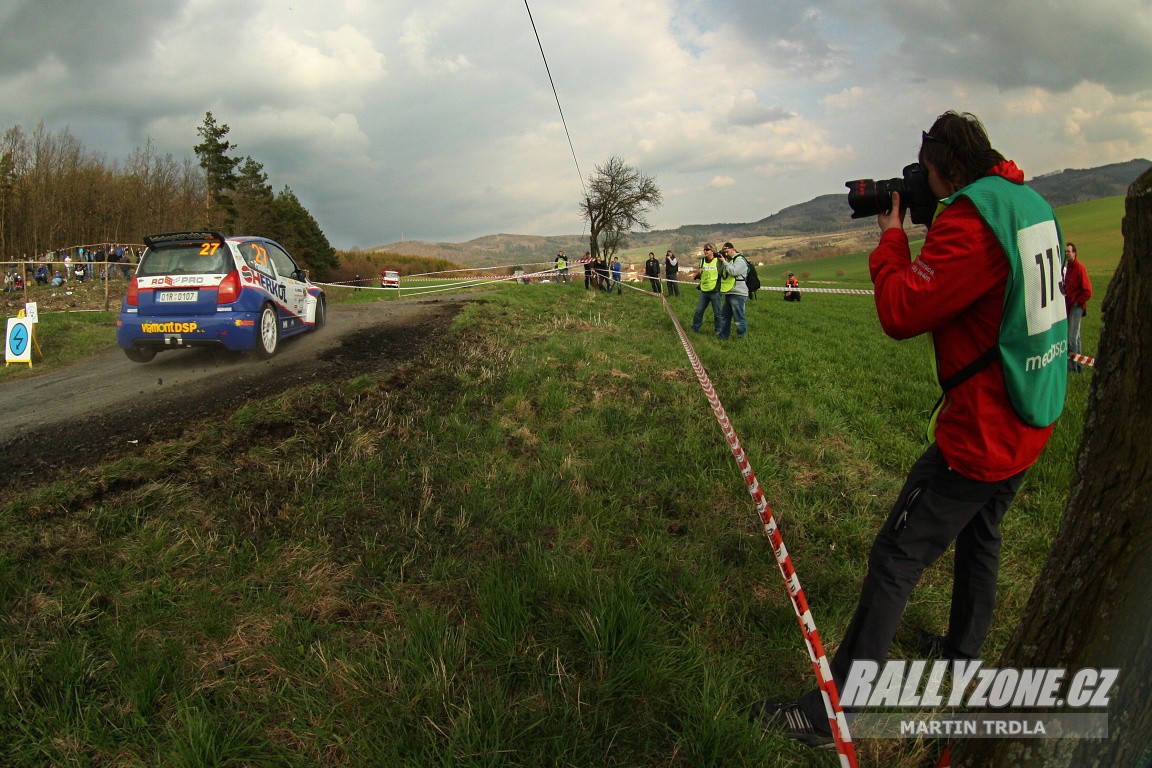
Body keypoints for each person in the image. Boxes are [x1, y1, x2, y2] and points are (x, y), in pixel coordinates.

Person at [752, 111, 1067, 746]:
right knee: (983, 535)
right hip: (1034, 412)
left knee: (896, 556)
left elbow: (901, 311)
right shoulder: (1028, 203)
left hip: (982, 434)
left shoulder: (972, 221)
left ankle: (837, 710)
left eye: (924, 172)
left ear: (944, 169)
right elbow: (1075, 282)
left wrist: (892, 237)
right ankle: (961, 652)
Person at [1062, 242, 1092, 372]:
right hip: (1069, 305)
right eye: (1066, 252)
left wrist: (1077, 302)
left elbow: (1088, 291)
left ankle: (1072, 368)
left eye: (1069, 251)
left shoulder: (1080, 269)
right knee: (1077, 338)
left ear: (1075, 253)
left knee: (1072, 338)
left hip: (1076, 307)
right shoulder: (1069, 268)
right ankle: (1079, 366)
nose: (1067, 254)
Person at [716, 242, 750, 339]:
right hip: (729, 292)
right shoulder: (729, 260)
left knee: (739, 318)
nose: (726, 254)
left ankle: (741, 337)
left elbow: (734, 272)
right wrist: (720, 261)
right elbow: (720, 272)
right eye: (724, 252)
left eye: (727, 252)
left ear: (733, 249)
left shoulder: (740, 260)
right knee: (724, 317)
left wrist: (725, 262)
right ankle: (723, 336)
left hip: (738, 293)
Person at [690, 243, 723, 334]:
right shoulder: (702, 260)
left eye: (707, 249)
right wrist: (698, 273)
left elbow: (723, 273)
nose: (705, 251)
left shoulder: (718, 261)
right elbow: (701, 273)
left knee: (717, 313)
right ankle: (695, 328)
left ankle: (718, 331)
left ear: (712, 251)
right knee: (698, 311)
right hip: (704, 290)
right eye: (704, 249)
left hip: (715, 291)